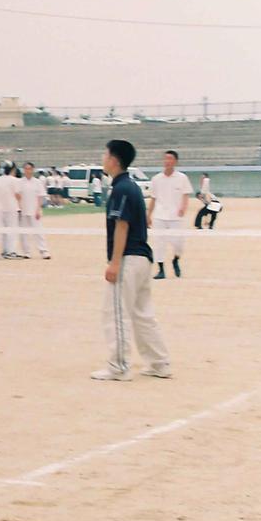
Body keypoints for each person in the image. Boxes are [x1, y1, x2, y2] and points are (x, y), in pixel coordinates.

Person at [92, 140, 171, 381]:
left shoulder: (121, 188)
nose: (103, 159)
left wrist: (114, 263)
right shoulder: (132, 187)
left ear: (114, 160)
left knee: (115, 312)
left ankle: (119, 366)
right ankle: (159, 363)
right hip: (143, 259)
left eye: (105, 155)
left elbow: (121, 226)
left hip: (129, 258)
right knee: (142, 313)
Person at [148, 150, 190, 280]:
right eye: (165, 159)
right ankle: (161, 269)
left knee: (179, 243)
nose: (167, 161)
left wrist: (183, 207)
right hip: (159, 215)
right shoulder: (156, 179)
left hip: (176, 216)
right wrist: (148, 215)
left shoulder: (182, 178)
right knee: (159, 243)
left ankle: (176, 259)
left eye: (170, 159)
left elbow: (186, 194)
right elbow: (153, 198)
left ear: (175, 161)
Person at [16, 162, 51, 260]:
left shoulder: (37, 182)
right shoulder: (20, 182)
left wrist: (38, 210)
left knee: (38, 231)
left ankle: (44, 251)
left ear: (33, 170)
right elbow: (17, 196)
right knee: (24, 233)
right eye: (26, 169)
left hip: (34, 210)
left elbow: (40, 197)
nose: (28, 171)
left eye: (30, 169)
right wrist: (19, 208)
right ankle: (27, 252)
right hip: (23, 210)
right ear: (24, 170)